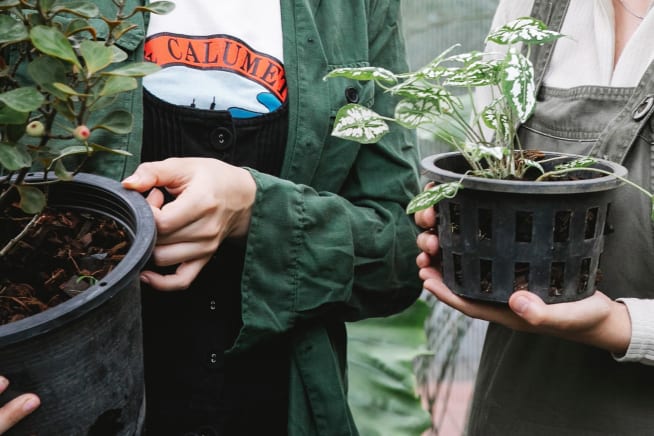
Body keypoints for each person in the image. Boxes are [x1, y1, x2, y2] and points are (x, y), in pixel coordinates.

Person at [108, 0, 421, 435]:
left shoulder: (350, 10)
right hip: (80, 397)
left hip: (279, 408)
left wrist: (257, 209)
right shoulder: (37, 16)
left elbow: (400, 254)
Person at [416, 0, 654, 435]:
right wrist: (455, 221)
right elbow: (483, 164)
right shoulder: (532, 8)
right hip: (520, 397)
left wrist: (617, 325)